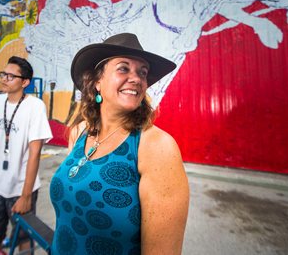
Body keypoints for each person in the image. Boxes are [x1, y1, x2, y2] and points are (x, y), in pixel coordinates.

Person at [49, 33, 189, 254]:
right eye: (123, 68)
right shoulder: (79, 132)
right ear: (97, 82)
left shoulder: (155, 147)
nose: (137, 78)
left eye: (142, 72)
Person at [0, 56, 53, 255]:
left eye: (11, 76)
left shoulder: (35, 107)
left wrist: (26, 195)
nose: (4, 79)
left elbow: (35, 152)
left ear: (25, 82)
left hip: (21, 189)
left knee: (24, 239)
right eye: (4, 74)